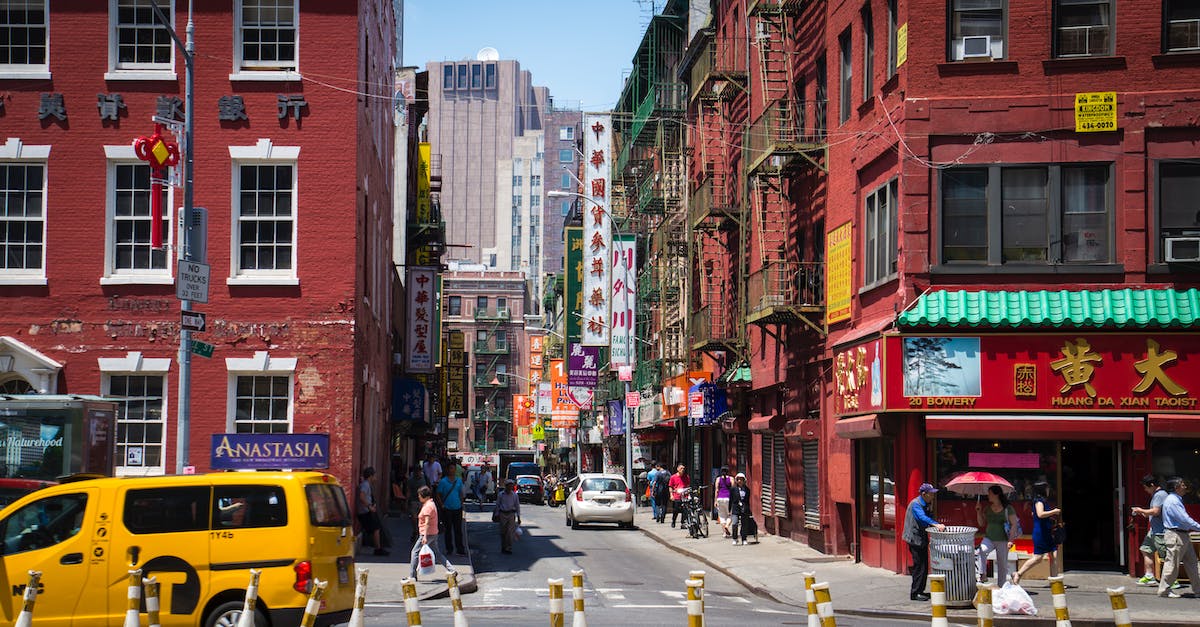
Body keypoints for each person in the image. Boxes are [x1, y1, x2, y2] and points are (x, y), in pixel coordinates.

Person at [901, 482, 946, 601]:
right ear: (924, 494)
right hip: (914, 539)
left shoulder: (926, 503)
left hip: (921, 539)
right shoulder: (916, 504)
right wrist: (936, 524)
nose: (932, 496)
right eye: (931, 494)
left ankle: (920, 590)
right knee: (919, 566)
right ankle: (915, 593)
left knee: (924, 566)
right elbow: (922, 518)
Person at [1157, 476, 1200, 598]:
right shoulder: (1173, 501)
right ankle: (1164, 590)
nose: (1185, 487)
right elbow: (1184, 519)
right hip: (1176, 535)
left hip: (1182, 535)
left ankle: (1198, 590)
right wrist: (1198, 527)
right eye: (1182, 484)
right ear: (1176, 487)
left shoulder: (1176, 499)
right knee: (1172, 564)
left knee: (1192, 563)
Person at [1012, 481, 1062, 585]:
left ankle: (1054, 581)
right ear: (1043, 490)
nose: (1048, 491)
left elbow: (1034, 514)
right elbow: (1040, 514)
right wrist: (1054, 512)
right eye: (1047, 488)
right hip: (1041, 533)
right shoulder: (1039, 501)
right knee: (1038, 558)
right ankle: (1018, 573)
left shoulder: (1042, 501)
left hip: (1046, 532)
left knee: (1053, 555)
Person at [409, 485, 456, 581]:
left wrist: (425, 537)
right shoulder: (431, 504)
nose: (418, 497)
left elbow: (427, 523)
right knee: (437, 553)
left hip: (427, 533)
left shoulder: (428, 507)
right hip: (433, 532)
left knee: (415, 552)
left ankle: (412, 576)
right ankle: (451, 569)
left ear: (424, 496)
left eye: (419, 495)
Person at [975, 484, 1019, 584]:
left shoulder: (1008, 508)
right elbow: (981, 523)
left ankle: (1001, 586)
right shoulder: (987, 508)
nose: (988, 496)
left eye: (990, 494)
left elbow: (1014, 524)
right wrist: (978, 511)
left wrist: (1011, 540)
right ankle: (983, 574)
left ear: (997, 494)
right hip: (989, 537)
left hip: (1003, 539)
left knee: (1002, 564)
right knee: (982, 550)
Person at [1132, 474, 1168, 586]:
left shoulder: (1160, 495)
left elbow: (1156, 511)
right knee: (1145, 549)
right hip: (1154, 530)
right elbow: (1155, 512)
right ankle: (1149, 576)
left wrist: (1141, 510)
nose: (1145, 490)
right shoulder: (1156, 495)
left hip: (1161, 532)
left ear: (1152, 485)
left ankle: (1171, 581)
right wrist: (1144, 513)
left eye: (1146, 487)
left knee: (1165, 556)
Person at [436, 463, 467, 555]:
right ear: (447, 470)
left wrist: (461, 503)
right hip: (447, 509)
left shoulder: (459, 481)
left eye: (453, 468)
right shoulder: (443, 481)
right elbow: (438, 494)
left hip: (457, 508)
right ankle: (449, 548)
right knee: (448, 530)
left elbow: (461, 493)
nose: (451, 470)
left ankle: (460, 549)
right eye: (450, 468)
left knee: (458, 530)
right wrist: (442, 505)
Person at [356, 466, 388, 556]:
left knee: (375, 527)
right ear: (370, 476)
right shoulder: (365, 485)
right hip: (365, 511)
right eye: (374, 476)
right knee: (376, 528)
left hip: (366, 510)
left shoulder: (366, 484)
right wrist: (369, 506)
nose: (376, 478)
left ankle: (378, 547)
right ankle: (378, 549)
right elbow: (362, 497)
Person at [495, 479, 522, 554]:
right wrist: (497, 514)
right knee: (503, 532)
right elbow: (498, 505)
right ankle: (503, 546)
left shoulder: (515, 495)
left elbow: (517, 506)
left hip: (511, 514)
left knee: (510, 533)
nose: (510, 487)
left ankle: (509, 548)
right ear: (506, 486)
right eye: (509, 486)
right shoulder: (501, 494)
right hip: (502, 514)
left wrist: (519, 517)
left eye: (511, 486)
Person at [405, 464, 427, 543]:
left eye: (418, 471)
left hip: (422, 501)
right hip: (414, 500)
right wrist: (406, 501)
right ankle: (415, 531)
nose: (417, 473)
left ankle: (421, 533)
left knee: (422, 518)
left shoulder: (424, 479)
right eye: (416, 471)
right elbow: (408, 491)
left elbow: (428, 489)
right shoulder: (411, 480)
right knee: (414, 518)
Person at [729, 472, 752, 545]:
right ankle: (735, 538)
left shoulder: (747, 490)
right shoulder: (733, 489)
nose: (739, 481)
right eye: (738, 479)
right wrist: (729, 510)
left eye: (741, 480)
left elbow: (747, 500)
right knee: (735, 523)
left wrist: (748, 509)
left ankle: (744, 538)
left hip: (744, 509)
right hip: (735, 508)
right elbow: (731, 500)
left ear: (744, 481)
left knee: (744, 524)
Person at [714, 466, 734, 537]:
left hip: (720, 498)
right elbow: (733, 490)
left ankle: (724, 533)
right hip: (728, 499)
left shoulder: (718, 479)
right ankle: (727, 526)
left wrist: (715, 501)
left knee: (722, 516)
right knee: (731, 515)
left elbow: (716, 490)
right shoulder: (731, 479)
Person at [668, 463, 690, 528]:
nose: (682, 470)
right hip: (677, 495)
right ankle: (673, 520)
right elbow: (670, 486)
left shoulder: (686, 477)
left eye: (683, 468)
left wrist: (688, 494)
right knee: (676, 510)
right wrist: (671, 495)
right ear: (678, 469)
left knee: (685, 509)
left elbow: (688, 486)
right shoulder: (673, 477)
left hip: (684, 495)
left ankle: (683, 523)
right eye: (681, 468)